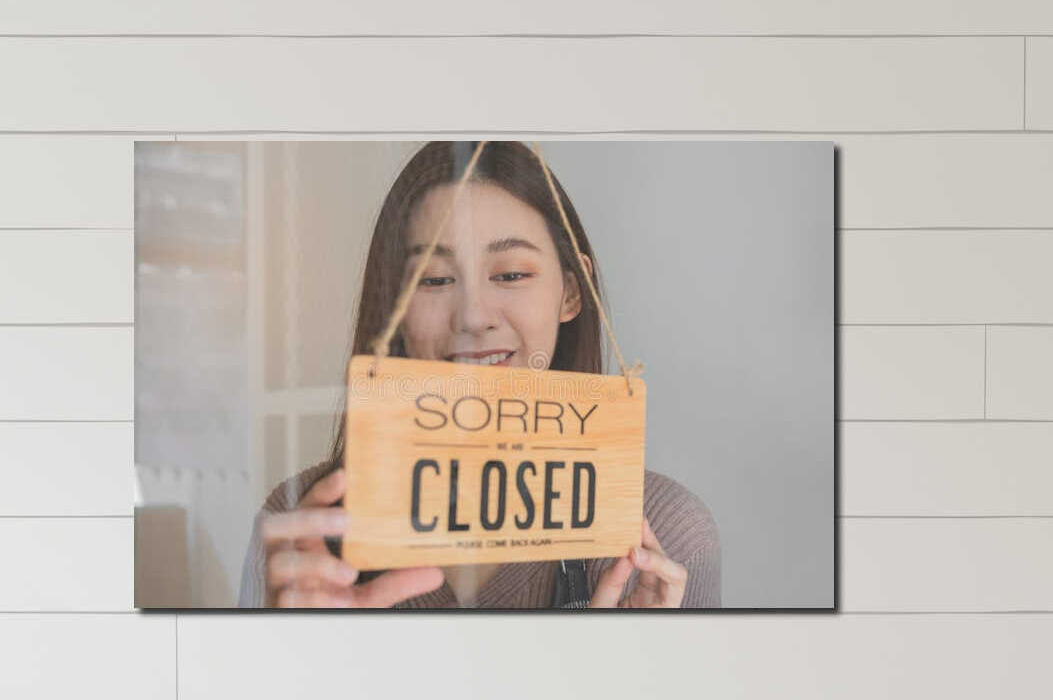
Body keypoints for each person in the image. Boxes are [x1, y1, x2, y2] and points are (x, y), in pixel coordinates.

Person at [240, 141, 720, 609]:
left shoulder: (668, 541)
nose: (473, 316)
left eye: (511, 274)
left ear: (571, 294)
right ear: (396, 309)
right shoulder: (301, 531)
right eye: (434, 279)